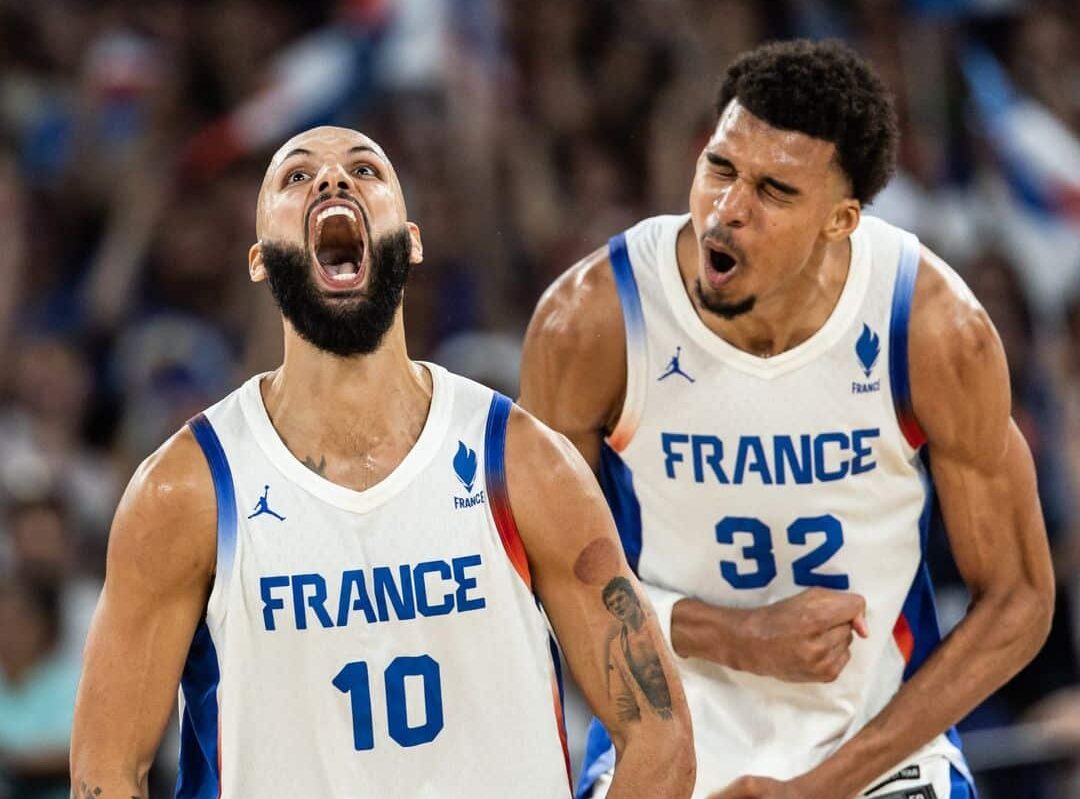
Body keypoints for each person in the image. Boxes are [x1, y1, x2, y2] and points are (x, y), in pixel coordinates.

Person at [70, 126, 694, 798]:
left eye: (364, 170)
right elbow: (106, 773)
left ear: (413, 240)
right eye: (297, 176)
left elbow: (661, 735)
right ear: (258, 258)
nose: (333, 181)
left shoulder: (520, 460)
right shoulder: (185, 489)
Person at [520, 39, 1055, 799]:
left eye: (773, 191)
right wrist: (737, 636)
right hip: (668, 736)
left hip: (875, 756)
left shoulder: (932, 328)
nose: (727, 211)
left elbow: (1021, 600)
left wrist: (823, 785)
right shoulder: (594, 321)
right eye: (720, 168)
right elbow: (539, 579)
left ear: (840, 221)